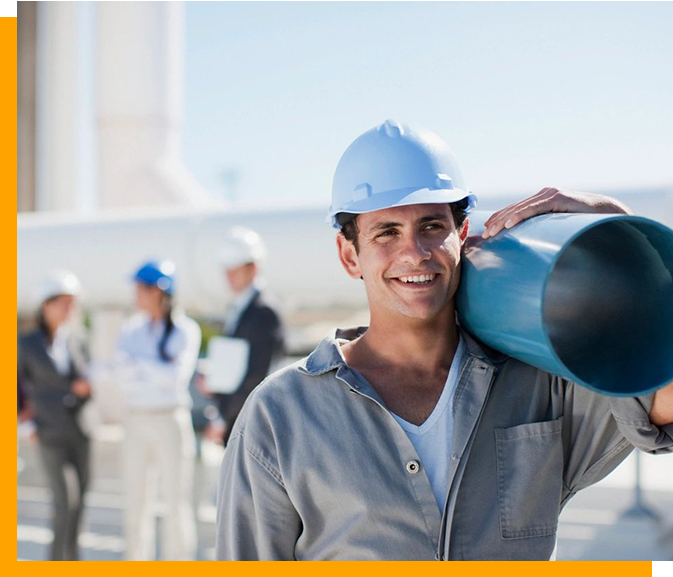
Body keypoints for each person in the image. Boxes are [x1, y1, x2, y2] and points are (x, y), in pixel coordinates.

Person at [215, 120, 673, 561]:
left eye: (432, 226)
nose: (414, 252)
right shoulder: (281, 416)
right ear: (349, 254)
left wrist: (620, 224)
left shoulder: (543, 387)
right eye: (387, 233)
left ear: (463, 234)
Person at [115, 260, 201, 561]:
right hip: (137, 419)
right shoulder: (131, 329)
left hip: (169, 419)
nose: (137, 294)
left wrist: (140, 367)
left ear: (159, 292)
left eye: (142, 288)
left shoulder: (185, 329)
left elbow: (176, 378)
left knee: (176, 501)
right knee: (136, 501)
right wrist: (155, 369)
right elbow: (122, 375)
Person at [17, 271, 92, 561]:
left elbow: (89, 376)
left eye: (73, 303)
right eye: (64, 303)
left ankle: (73, 560)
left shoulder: (77, 339)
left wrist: (86, 387)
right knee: (65, 500)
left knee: (80, 502)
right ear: (46, 305)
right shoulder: (27, 344)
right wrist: (24, 424)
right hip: (48, 432)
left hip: (81, 430)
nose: (70, 310)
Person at [206, 227, 285, 445]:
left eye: (235, 270)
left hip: (251, 424)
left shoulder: (263, 311)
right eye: (227, 271)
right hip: (241, 420)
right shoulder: (242, 308)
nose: (228, 277)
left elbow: (256, 375)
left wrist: (222, 418)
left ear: (253, 268)